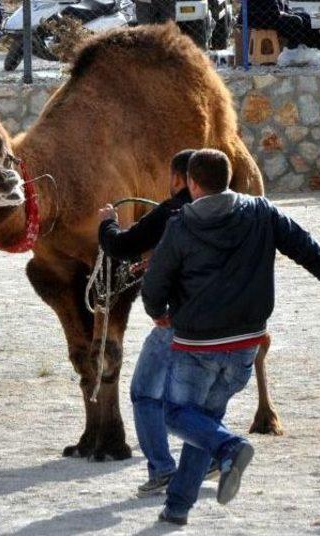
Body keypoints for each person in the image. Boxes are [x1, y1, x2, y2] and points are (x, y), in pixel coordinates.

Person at [141, 149, 320, 525]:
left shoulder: (181, 225)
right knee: (205, 422)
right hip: (246, 344)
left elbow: (155, 282)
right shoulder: (261, 212)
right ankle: (177, 507)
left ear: (193, 183)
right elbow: (306, 248)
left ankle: (230, 447)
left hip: (197, 346)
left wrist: (157, 312)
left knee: (177, 414)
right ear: (227, 179)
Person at [98, 150, 220, 497]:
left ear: (182, 179)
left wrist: (107, 222)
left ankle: (168, 468)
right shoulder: (240, 211)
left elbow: (121, 246)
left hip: (178, 320)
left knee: (145, 394)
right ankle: (209, 455)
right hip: (225, 322)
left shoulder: (172, 213)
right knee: (192, 397)